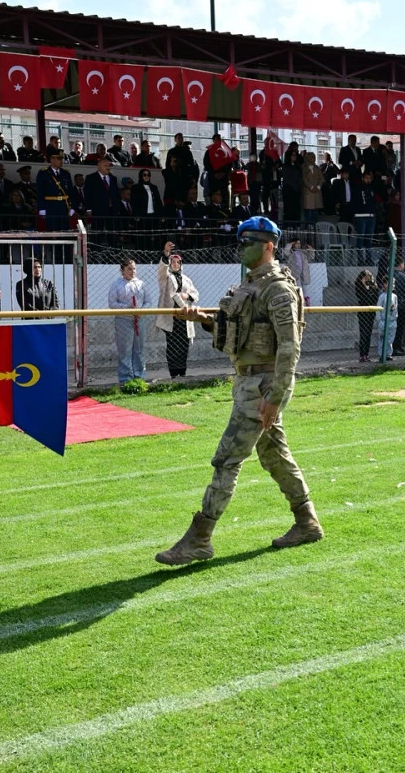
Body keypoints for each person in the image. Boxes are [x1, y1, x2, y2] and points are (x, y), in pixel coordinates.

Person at [156, 216, 321, 565]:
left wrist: (276, 397)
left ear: (269, 246)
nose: (242, 248)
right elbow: (238, 328)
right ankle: (307, 522)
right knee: (275, 457)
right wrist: (202, 318)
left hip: (262, 386)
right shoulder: (251, 285)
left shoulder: (277, 288)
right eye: (241, 243)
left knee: (227, 459)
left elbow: (290, 347)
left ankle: (199, 537)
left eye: (249, 243)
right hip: (248, 382)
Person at [156, 241, 201, 378]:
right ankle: (174, 373)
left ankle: (182, 372)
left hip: (185, 316)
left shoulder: (186, 279)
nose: (175, 264)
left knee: (183, 345)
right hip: (172, 317)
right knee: (172, 345)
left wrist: (187, 295)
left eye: (178, 262)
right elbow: (162, 270)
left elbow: (195, 294)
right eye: (173, 262)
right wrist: (166, 253)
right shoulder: (166, 278)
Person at [109, 257, 148, 384]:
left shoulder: (141, 284)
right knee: (125, 350)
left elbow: (148, 301)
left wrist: (141, 311)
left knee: (139, 349)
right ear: (122, 270)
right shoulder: (116, 284)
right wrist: (127, 308)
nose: (132, 271)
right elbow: (112, 303)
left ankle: (139, 377)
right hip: (123, 320)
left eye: (134, 269)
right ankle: (126, 379)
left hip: (140, 319)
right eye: (129, 269)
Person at [36, 149, 76, 231]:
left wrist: (72, 206)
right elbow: (40, 192)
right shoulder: (43, 173)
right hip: (50, 206)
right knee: (52, 230)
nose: (61, 161)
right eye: (59, 158)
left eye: (62, 158)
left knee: (64, 229)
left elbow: (71, 191)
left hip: (63, 206)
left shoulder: (66, 173)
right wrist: (41, 208)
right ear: (52, 159)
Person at [354, 270, 379, 362]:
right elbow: (362, 297)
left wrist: (369, 287)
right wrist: (364, 286)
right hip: (363, 313)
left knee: (368, 333)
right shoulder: (359, 286)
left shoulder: (373, 286)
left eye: (368, 278)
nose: (367, 280)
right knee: (363, 334)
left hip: (371, 312)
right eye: (365, 278)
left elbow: (374, 297)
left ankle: (366, 354)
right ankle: (362, 355)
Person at [375, 275, 399, 360]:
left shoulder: (394, 296)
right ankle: (381, 354)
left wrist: (395, 317)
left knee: (390, 339)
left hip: (392, 321)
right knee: (382, 338)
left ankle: (388, 354)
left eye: (393, 284)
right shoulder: (382, 296)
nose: (393, 285)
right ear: (385, 284)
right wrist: (379, 320)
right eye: (391, 283)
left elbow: (395, 307)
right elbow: (378, 308)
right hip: (383, 320)